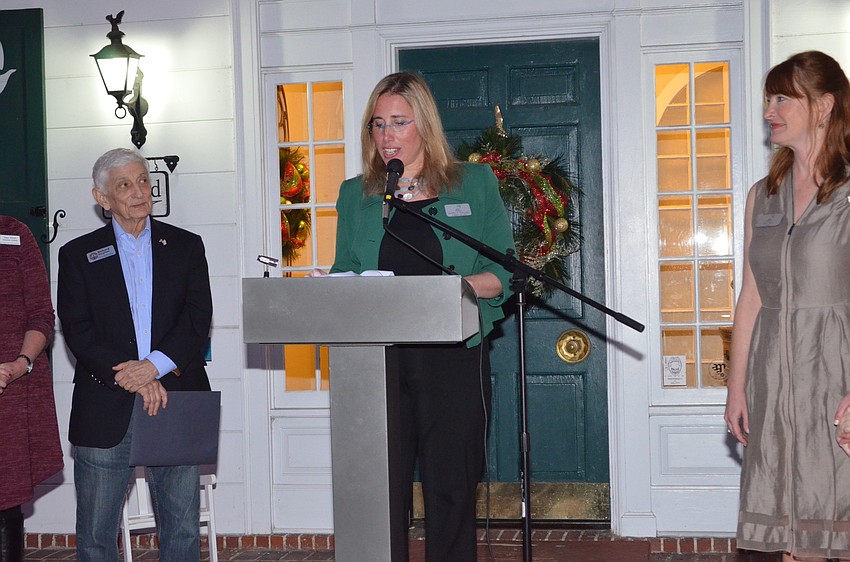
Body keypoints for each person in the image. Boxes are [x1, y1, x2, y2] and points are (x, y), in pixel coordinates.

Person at [326, 71, 515, 561]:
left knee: (450, 490)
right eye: (378, 124)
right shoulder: (356, 194)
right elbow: (344, 272)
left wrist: (451, 292)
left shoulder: (473, 183)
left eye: (399, 122)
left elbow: (502, 271)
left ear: (424, 125)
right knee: (379, 492)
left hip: (451, 360)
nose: (387, 135)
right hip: (376, 365)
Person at [57, 148, 213, 562]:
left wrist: (154, 367)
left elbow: (198, 318)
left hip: (176, 397)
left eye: (143, 181)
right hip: (105, 402)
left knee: (181, 530)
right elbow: (78, 329)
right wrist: (132, 377)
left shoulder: (186, 246)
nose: (139, 192)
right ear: (102, 198)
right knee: (95, 535)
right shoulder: (77, 255)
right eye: (124, 185)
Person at [724, 50, 850, 561]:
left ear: (823, 106)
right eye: (768, 99)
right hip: (772, 377)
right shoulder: (763, 194)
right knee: (785, 537)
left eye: (782, 98)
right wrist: (737, 388)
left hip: (835, 375)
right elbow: (751, 296)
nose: (769, 110)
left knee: (832, 515)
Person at [0, 216, 63, 562]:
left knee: (5, 496)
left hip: (11, 392)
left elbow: (41, 314)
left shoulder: (15, 234)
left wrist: (20, 363)